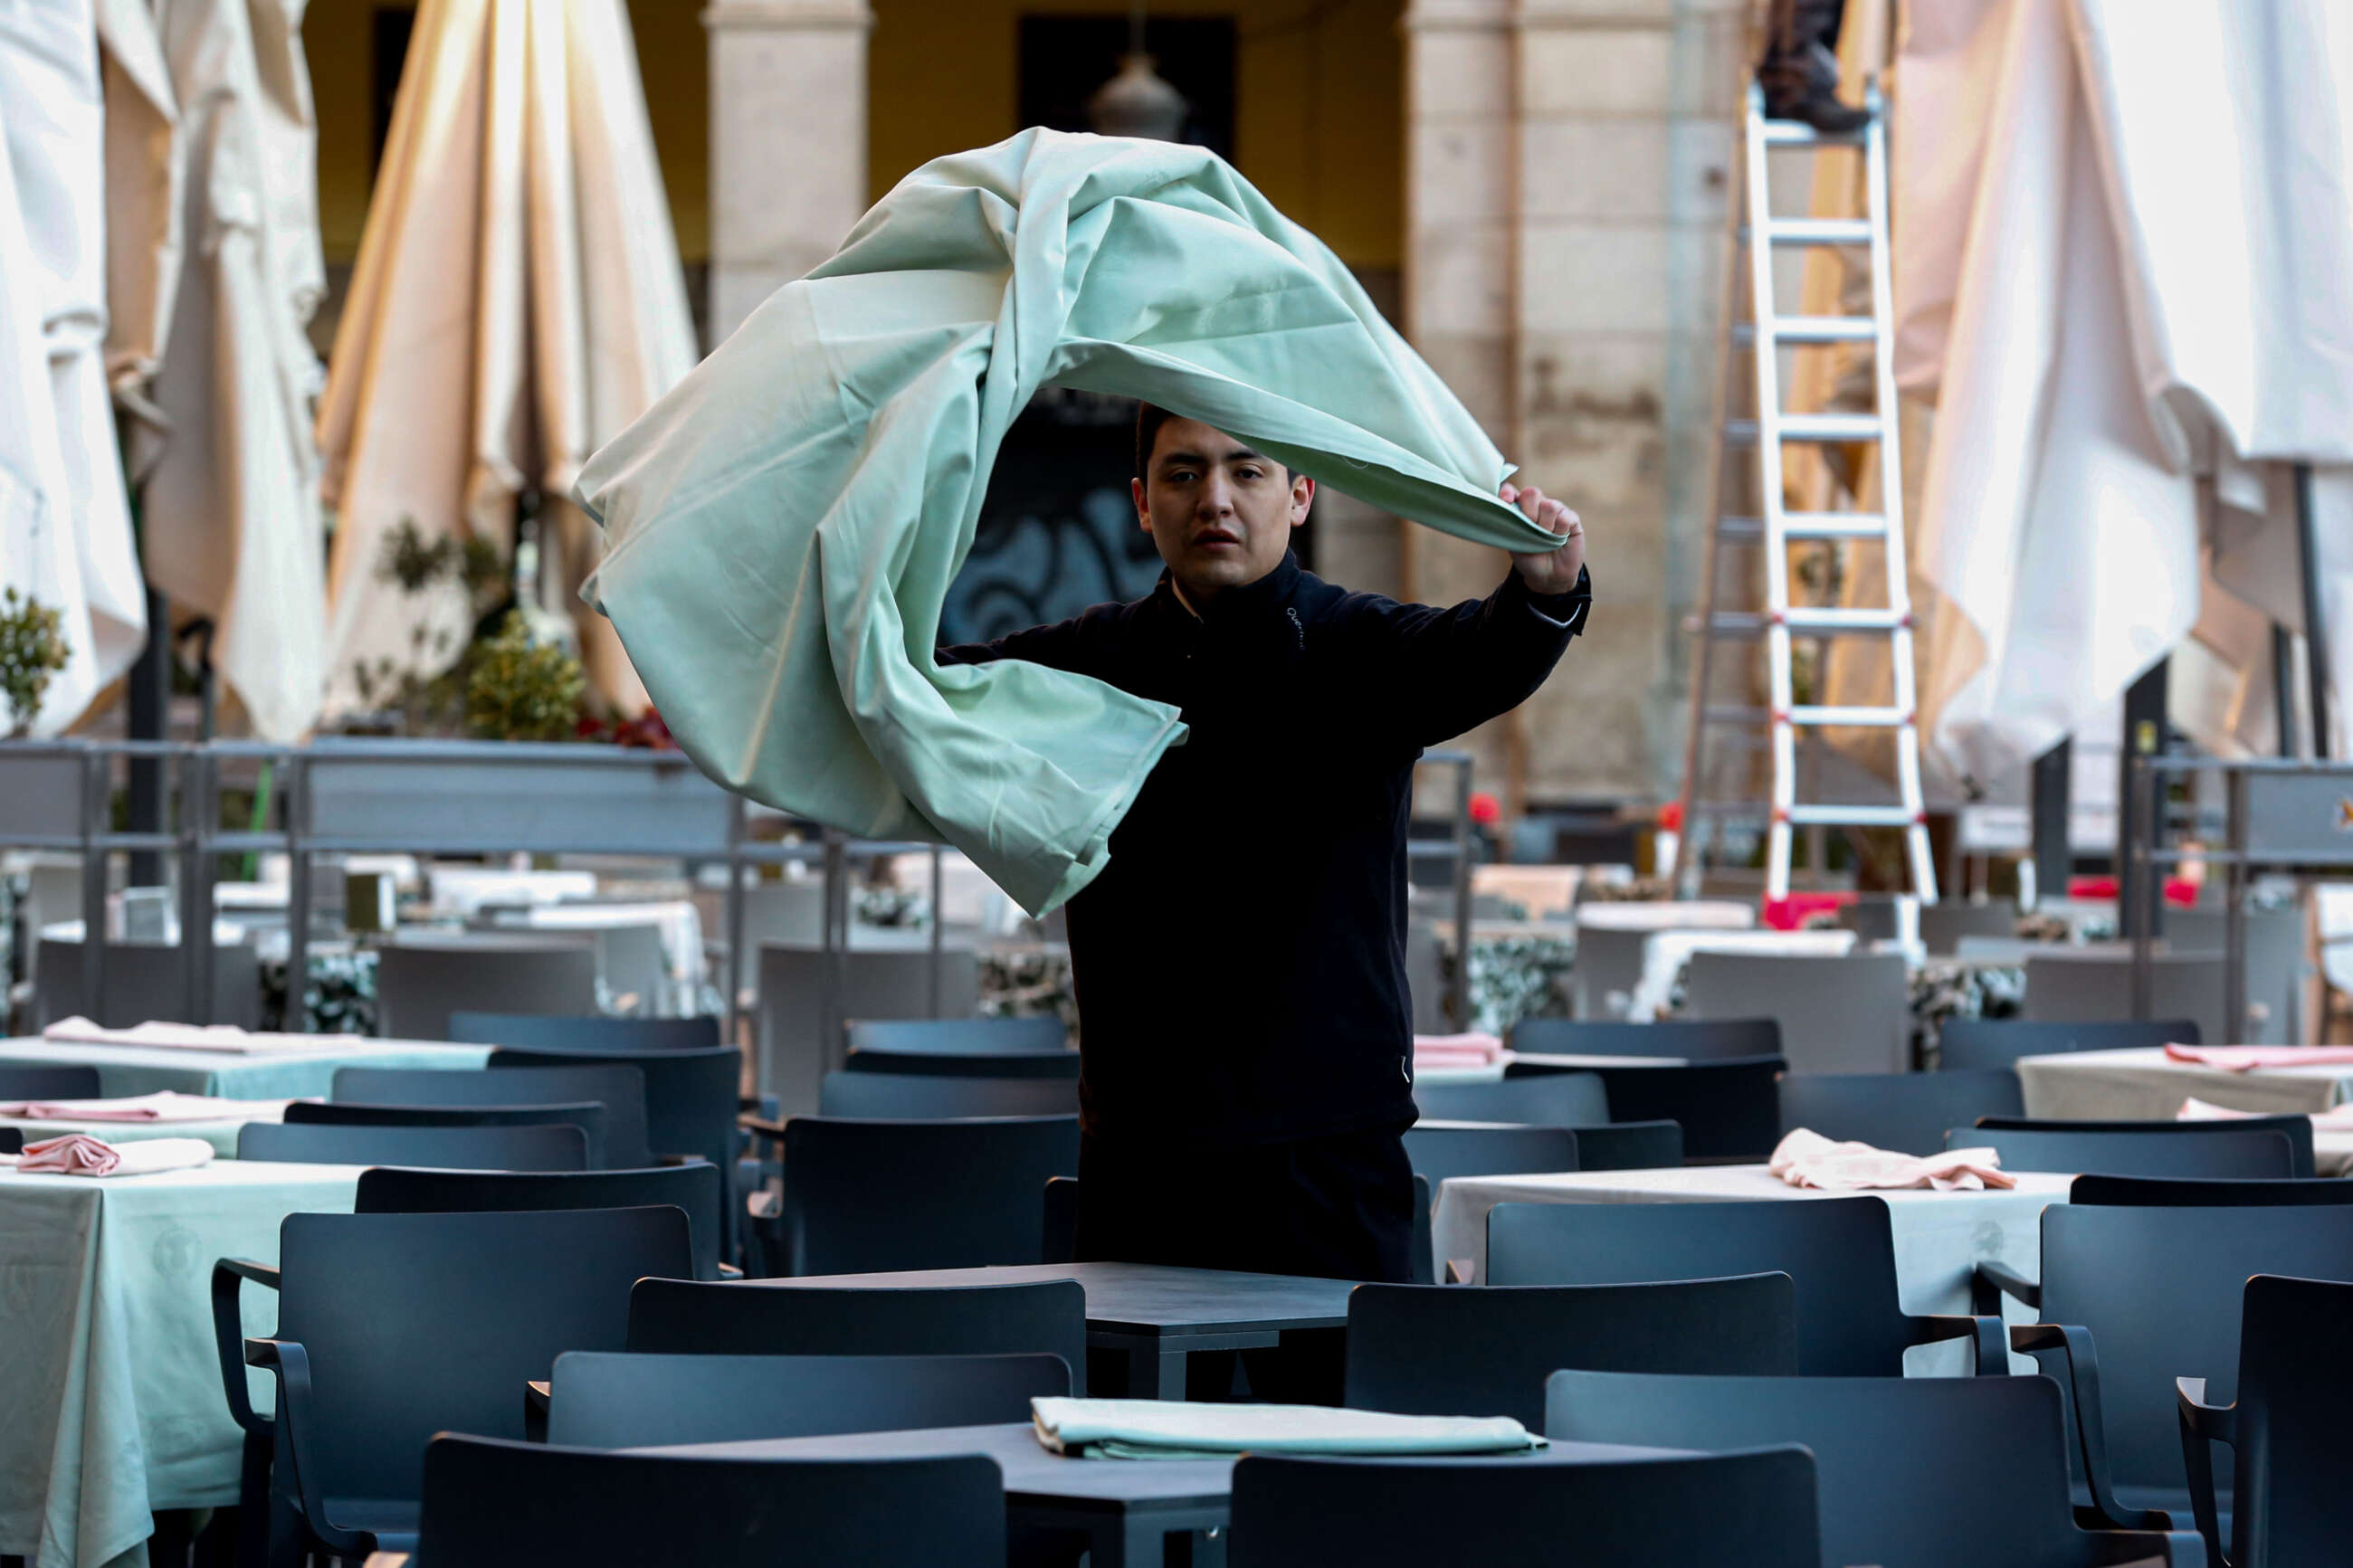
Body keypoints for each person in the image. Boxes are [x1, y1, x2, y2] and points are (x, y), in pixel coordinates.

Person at [938, 404, 1588, 1298]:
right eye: (1182, 474)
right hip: (1142, 1149)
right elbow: (928, 698)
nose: (1214, 499)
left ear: (1300, 494)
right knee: (1145, 1433)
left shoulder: (1355, 642)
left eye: (1246, 472)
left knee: (1329, 1433)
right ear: (1140, 501)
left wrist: (1545, 591)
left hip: (1330, 1150)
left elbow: (1482, 651)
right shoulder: (1087, 659)